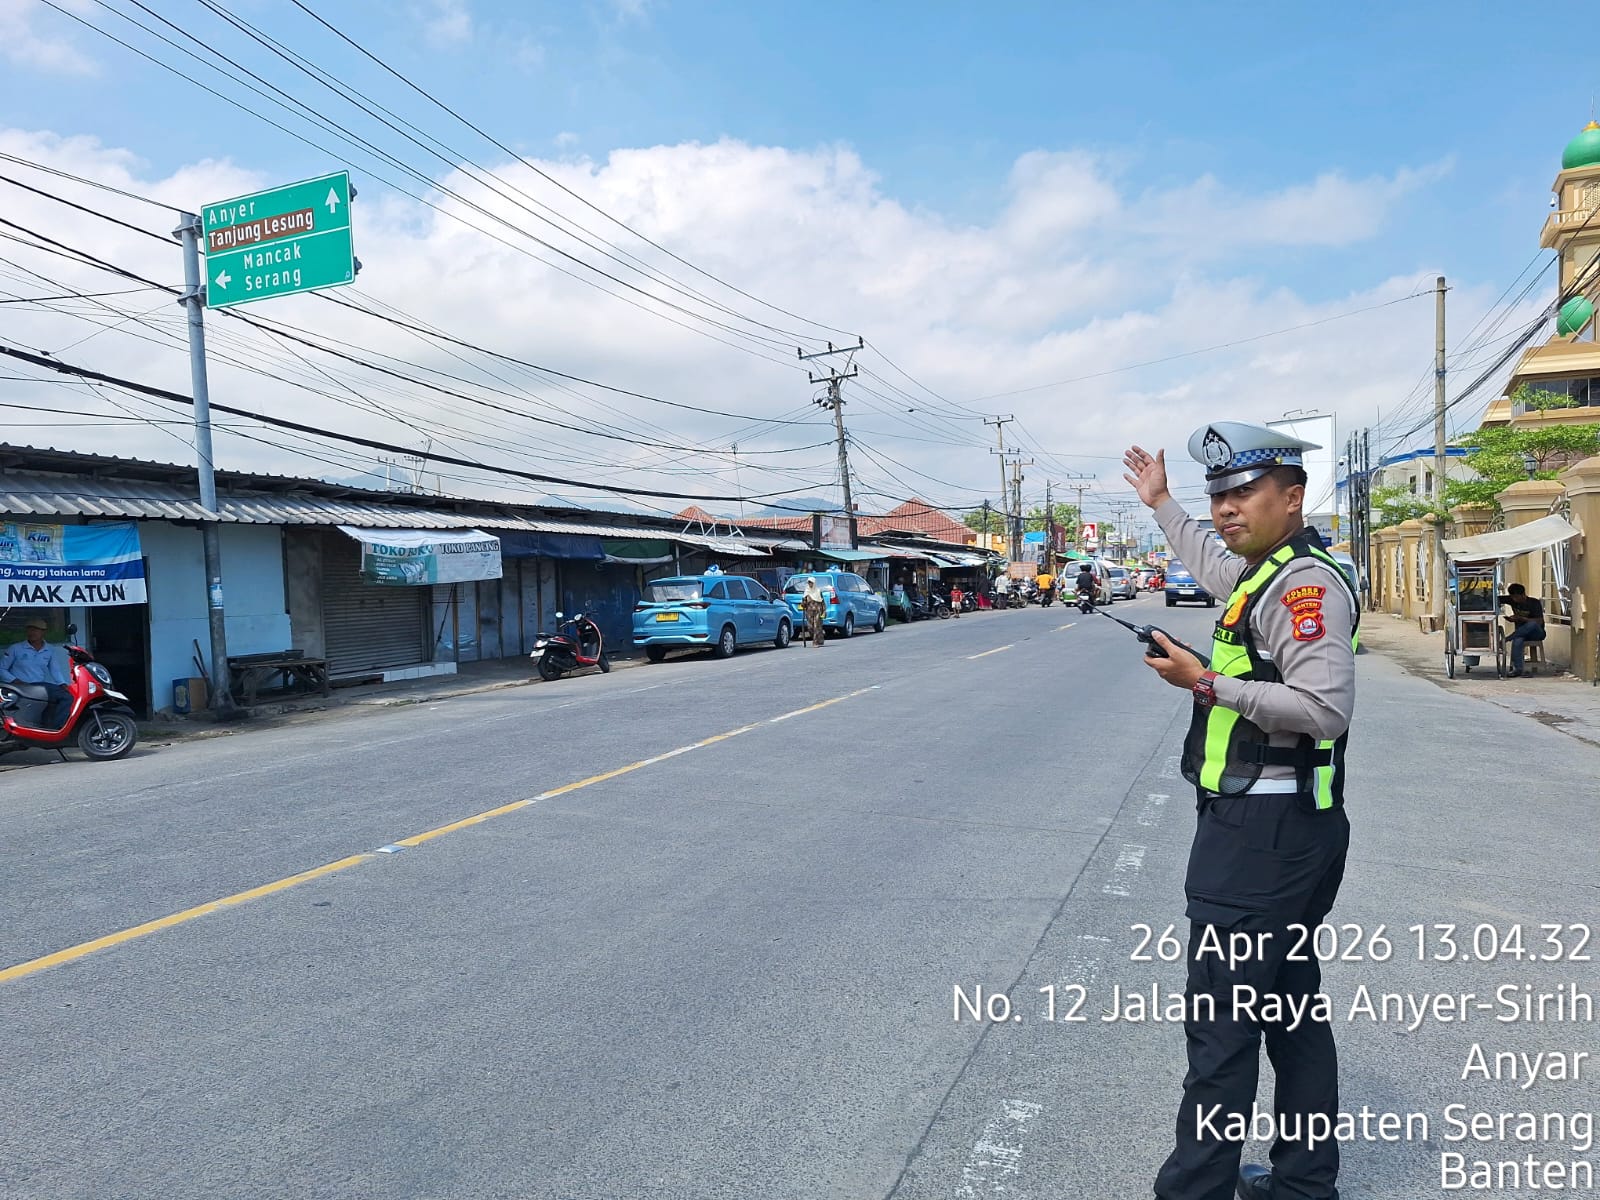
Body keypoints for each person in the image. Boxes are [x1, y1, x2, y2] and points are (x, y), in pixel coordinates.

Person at [1123, 423, 1358, 1200]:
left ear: (1292, 498)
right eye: (1218, 494)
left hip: (1262, 841)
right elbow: (1213, 566)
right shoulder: (1267, 573)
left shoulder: (1302, 586)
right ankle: (1303, 1184)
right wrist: (1163, 503)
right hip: (1286, 831)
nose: (1225, 508)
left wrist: (1204, 682)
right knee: (1290, 1014)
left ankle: (1195, 1190)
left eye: (1244, 492)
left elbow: (1324, 709)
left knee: (1222, 1028)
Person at [0, 617, 73, 730]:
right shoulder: (16, 648)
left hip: (39, 686)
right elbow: (2, 669)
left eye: (36, 629)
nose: (32, 632)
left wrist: (62, 683)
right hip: (19, 687)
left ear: (43, 632)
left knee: (67, 696)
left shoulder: (49, 649)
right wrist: (15, 680)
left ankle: (55, 728)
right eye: (29, 629)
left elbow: (55, 670)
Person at [1499, 582, 1545, 676]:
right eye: (1513, 597)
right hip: (1520, 633)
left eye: (1517, 597)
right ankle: (1518, 669)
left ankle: (1506, 639)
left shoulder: (1534, 603)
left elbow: (1539, 621)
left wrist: (1521, 618)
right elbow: (1496, 599)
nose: (1514, 600)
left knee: (1532, 624)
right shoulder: (1512, 600)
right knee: (1517, 641)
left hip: (1536, 633)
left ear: (1523, 595)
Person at [799, 577, 826, 648]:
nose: (810, 584)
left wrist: (824, 611)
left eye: (811, 583)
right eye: (809, 583)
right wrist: (803, 604)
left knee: (816, 626)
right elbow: (804, 602)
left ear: (814, 583)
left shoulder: (818, 591)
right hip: (809, 612)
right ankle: (820, 639)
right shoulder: (806, 592)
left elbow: (822, 602)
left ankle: (815, 642)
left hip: (818, 611)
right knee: (810, 627)